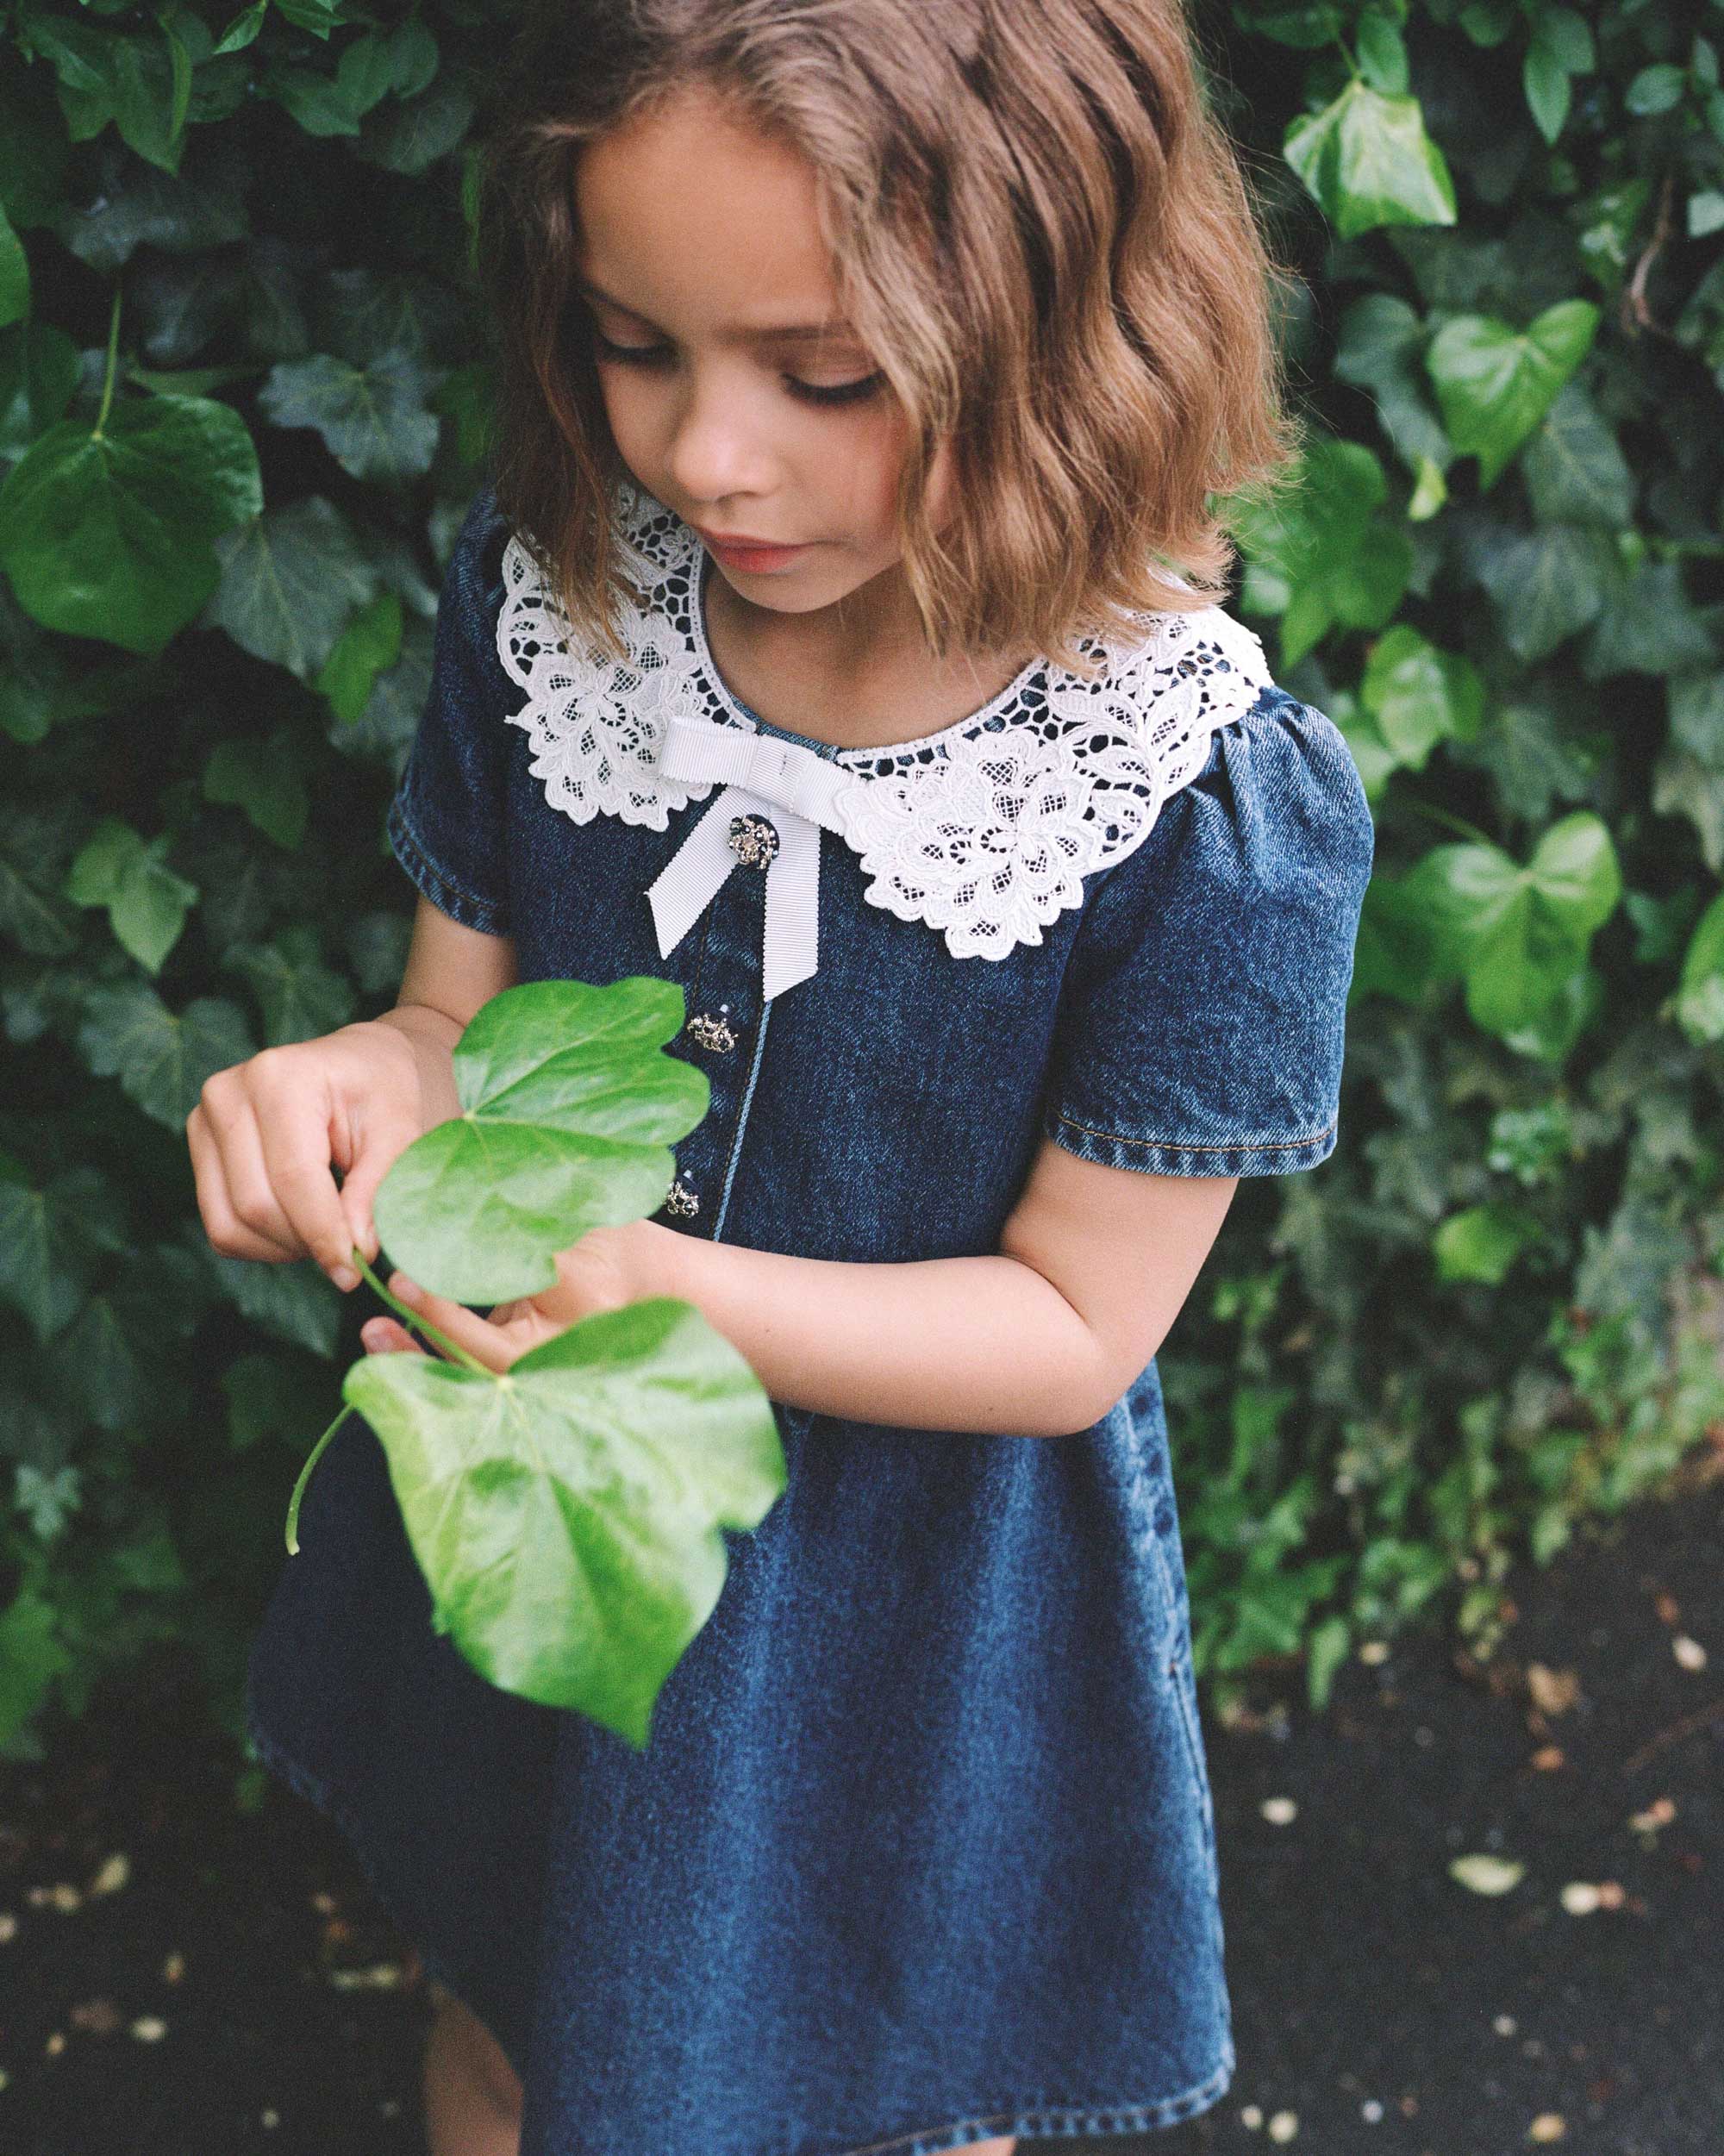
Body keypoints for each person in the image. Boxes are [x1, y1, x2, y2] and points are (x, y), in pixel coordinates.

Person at [184, 3, 1377, 2153]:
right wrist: (350, 1082)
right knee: (521, 2021)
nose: (707, 456)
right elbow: (457, 1032)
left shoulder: (1190, 803)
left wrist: (668, 1292)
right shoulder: (562, 600)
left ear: (1072, 327)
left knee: (886, 2102)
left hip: (909, 1629)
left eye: (827, 376)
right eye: (635, 343)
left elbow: (1072, 1328)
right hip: (563, 1500)